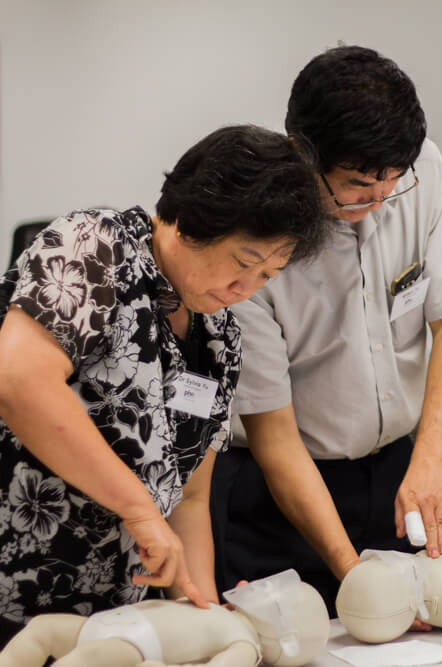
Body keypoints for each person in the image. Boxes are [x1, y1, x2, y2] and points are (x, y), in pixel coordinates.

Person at [0, 125, 325, 644]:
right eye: (244, 262)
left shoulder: (220, 337)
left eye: (269, 275)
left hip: (118, 624)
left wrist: (203, 611)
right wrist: (136, 507)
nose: (246, 289)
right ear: (195, 220)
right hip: (17, 599)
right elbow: (19, 382)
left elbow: (191, 499)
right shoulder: (94, 247)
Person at [211, 45, 442, 614]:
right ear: (302, 154)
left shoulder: (422, 168)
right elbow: (275, 438)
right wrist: (351, 572)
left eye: (393, 179)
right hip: (281, 492)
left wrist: (433, 461)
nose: (382, 198)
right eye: (359, 183)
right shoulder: (255, 245)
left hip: (394, 470)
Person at [0, 570, 328, 667]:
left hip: (134, 646)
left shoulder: (245, 644)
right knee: (43, 628)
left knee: (83, 660)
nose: (247, 583)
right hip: (107, 623)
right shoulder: (216, 609)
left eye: (265, 587)